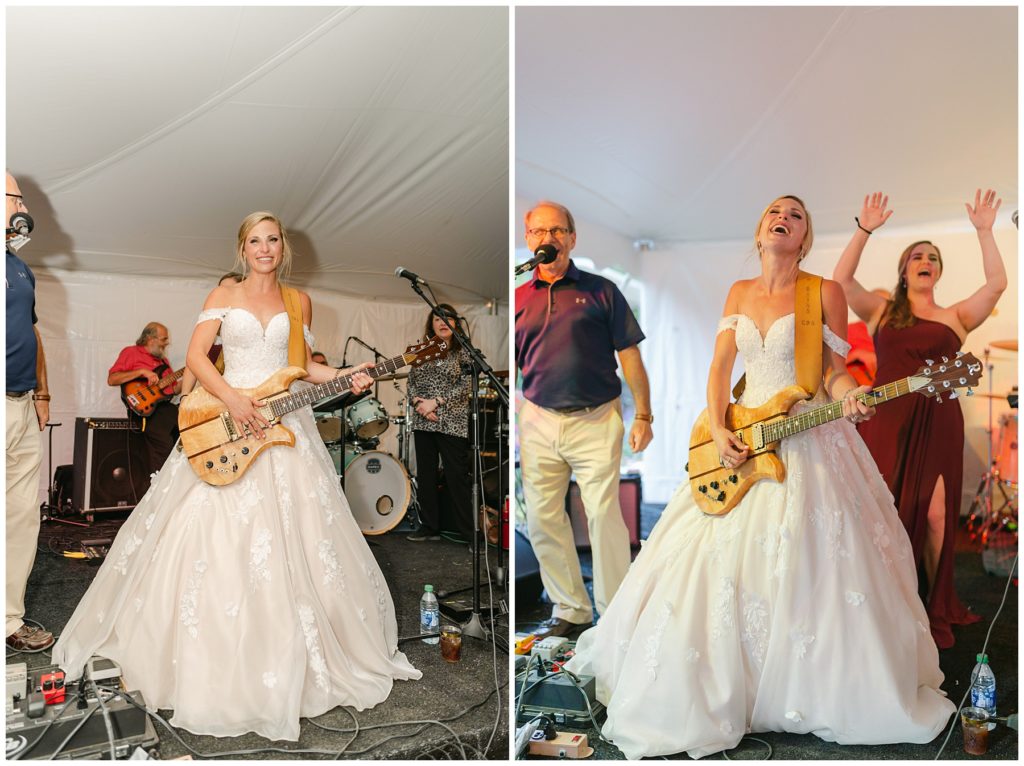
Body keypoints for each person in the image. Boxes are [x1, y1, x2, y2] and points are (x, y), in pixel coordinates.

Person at [566, 195, 954, 759]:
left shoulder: (823, 291)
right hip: (743, 437)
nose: (784, 218)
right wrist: (719, 428)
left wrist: (851, 400)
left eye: (796, 216)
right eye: (776, 211)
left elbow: (833, 369)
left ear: (804, 237)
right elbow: (721, 368)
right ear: (760, 230)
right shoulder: (739, 293)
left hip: (811, 439)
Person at [54, 211, 420, 740]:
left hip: (286, 428)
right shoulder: (224, 293)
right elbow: (198, 358)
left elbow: (304, 367)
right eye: (255, 241)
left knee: (303, 538)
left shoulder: (299, 302)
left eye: (272, 240)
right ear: (242, 248)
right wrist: (234, 399)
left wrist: (346, 375)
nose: (265, 248)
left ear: (282, 248)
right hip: (229, 420)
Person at [832, 189, 1007, 649]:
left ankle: (932, 607)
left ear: (938, 271)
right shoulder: (882, 310)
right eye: (916, 256)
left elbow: (996, 285)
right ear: (905, 270)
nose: (925, 260)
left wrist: (985, 232)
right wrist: (864, 229)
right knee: (882, 512)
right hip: (887, 419)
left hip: (940, 421)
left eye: (932, 257)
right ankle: (884, 602)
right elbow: (842, 280)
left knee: (935, 514)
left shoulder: (956, 317)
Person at [515, 200, 653, 639]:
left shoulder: (601, 290)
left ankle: (613, 612)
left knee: (603, 515)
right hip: (538, 419)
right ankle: (570, 608)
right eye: (538, 231)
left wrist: (644, 414)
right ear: (527, 238)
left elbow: (629, 353)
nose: (547, 238)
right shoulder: (517, 292)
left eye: (557, 231)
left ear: (572, 239)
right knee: (541, 518)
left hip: (595, 418)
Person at [6, 170, 55, 652]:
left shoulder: (20, 267)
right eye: (14, 196)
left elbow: (33, 333)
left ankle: (8, 621)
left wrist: (42, 393)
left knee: (22, 515)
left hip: (21, 405)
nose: (22, 204)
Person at [406, 304, 474, 542]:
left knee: (457, 476)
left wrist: (435, 402)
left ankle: (467, 532)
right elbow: (411, 381)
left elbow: (466, 385)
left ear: (455, 322)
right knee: (426, 475)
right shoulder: (422, 349)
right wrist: (419, 404)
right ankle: (429, 526)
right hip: (423, 419)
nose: (442, 322)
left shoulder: (463, 350)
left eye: (447, 318)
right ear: (431, 323)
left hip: (451, 421)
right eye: (437, 319)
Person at [107, 322, 182, 476]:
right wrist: (142, 372)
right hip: (147, 413)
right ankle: (159, 486)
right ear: (150, 338)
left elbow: (172, 390)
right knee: (164, 447)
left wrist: (191, 376)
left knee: (187, 431)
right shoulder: (131, 352)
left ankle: (175, 482)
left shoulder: (164, 362)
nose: (167, 343)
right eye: (164, 339)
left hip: (164, 409)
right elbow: (112, 379)